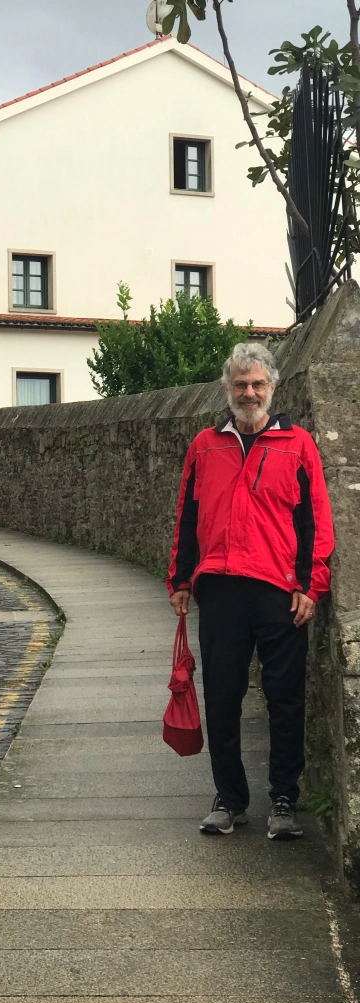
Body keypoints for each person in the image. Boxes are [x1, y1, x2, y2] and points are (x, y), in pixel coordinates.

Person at [167, 342, 334, 840]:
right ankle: (230, 798)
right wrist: (180, 578)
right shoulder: (204, 446)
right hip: (219, 589)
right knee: (222, 697)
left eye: (258, 383)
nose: (249, 392)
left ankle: (283, 798)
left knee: (285, 698)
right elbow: (188, 517)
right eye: (240, 384)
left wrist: (312, 584)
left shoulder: (298, 444)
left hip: (280, 591)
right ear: (227, 389)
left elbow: (316, 522)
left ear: (273, 387)